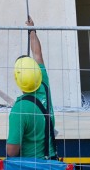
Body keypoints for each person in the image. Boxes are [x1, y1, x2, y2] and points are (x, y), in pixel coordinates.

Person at [6, 17, 57, 159]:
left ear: (17, 80)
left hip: (29, 164)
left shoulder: (19, 109)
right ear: (37, 73)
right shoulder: (44, 85)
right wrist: (32, 30)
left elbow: (11, 151)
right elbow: (37, 54)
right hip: (50, 162)